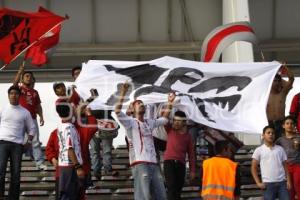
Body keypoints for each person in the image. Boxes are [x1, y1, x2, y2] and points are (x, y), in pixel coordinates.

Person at [115, 82, 175, 200]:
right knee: (143, 197)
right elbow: (117, 111)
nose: (141, 105)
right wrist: (123, 92)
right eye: (138, 104)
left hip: (153, 163)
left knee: (162, 196)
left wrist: (170, 102)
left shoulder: (149, 122)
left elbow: (164, 119)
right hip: (140, 163)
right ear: (132, 109)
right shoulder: (130, 122)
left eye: (142, 103)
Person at [0, 85, 35, 200]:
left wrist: (28, 142)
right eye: (11, 93)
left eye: (16, 94)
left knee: (16, 174)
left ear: (19, 96)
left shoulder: (25, 112)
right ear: (8, 95)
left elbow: (32, 128)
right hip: (2, 143)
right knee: (1, 171)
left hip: (17, 145)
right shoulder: (2, 109)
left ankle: (13, 197)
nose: (13, 95)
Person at [13, 63, 47, 170]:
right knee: (20, 141)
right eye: (26, 76)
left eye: (30, 77)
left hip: (32, 119)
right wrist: (20, 72)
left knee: (35, 141)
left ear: (33, 80)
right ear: (22, 79)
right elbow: (14, 85)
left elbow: (38, 105)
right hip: (20, 119)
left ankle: (39, 162)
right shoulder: (20, 90)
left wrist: (41, 116)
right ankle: (19, 160)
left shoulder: (35, 92)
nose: (29, 78)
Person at [251, 125, 291, 200]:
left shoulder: (280, 149)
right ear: (263, 135)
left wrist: (288, 181)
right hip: (268, 184)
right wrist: (258, 183)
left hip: (282, 183)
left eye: (272, 133)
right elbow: (253, 167)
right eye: (268, 133)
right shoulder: (259, 150)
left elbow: (285, 166)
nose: (271, 134)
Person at [163, 110, 196, 200]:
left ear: (184, 122)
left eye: (179, 121)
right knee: (171, 187)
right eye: (174, 120)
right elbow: (164, 118)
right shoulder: (170, 129)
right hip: (168, 163)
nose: (176, 123)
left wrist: (192, 171)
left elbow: (191, 155)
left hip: (181, 164)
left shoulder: (188, 136)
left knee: (178, 190)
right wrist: (170, 104)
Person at [56, 102, 84, 200]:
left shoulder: (60, 127)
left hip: (63, 165)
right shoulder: (69, 128)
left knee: (66, 194)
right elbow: (70, 149)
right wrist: (78, 167)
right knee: (69, 195)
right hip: (70, 166)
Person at [267, 65, 294, 140]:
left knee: (283, 145)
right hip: (269, 123)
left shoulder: (283, 93)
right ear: (270, 82)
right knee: (269, 147)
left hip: (281, 123)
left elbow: (291, 79)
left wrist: (283, 67)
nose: (277, 83)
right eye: (275, 81)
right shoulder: (265, 95)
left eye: (279, 81)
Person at [276, 116, 300, 200]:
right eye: (287, 123)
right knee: (289, 189)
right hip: (286, 166)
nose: (289, 125)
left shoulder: (299, 137)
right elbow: (273, 149)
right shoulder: (280, 140)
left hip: (298, 165)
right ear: (283, 126)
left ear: (294, 125)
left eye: (292, 123)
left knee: (298, 184)